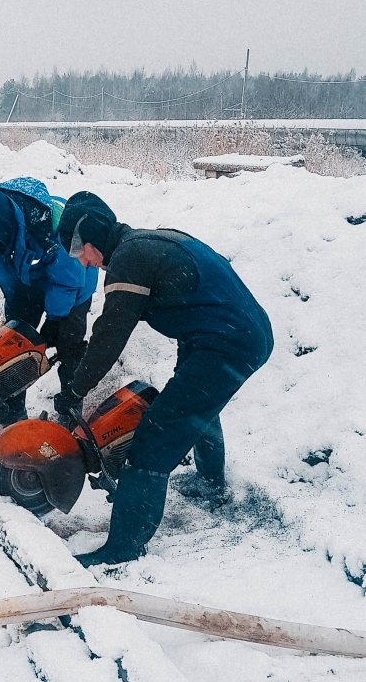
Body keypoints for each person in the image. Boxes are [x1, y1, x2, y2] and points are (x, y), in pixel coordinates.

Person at [56, 192, 274, 566]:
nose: (82, 262)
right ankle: (210, 485)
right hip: (233, 332)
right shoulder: (142, 243)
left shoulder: (128, 260)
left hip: (227, 340)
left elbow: (111, 333)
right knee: (194, 403)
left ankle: (123, 548)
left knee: (155, 435)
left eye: (80, 253)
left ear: (91, 245)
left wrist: (76, 388)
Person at [0, 178, 100, 423]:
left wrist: (55, 318)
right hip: (25, 284)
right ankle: (12, 409)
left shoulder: (51, 224)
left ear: (0, 225)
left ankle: (70, 416)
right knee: (14, 343)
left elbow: (68, 278)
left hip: (74, 287)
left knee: (68, 346)